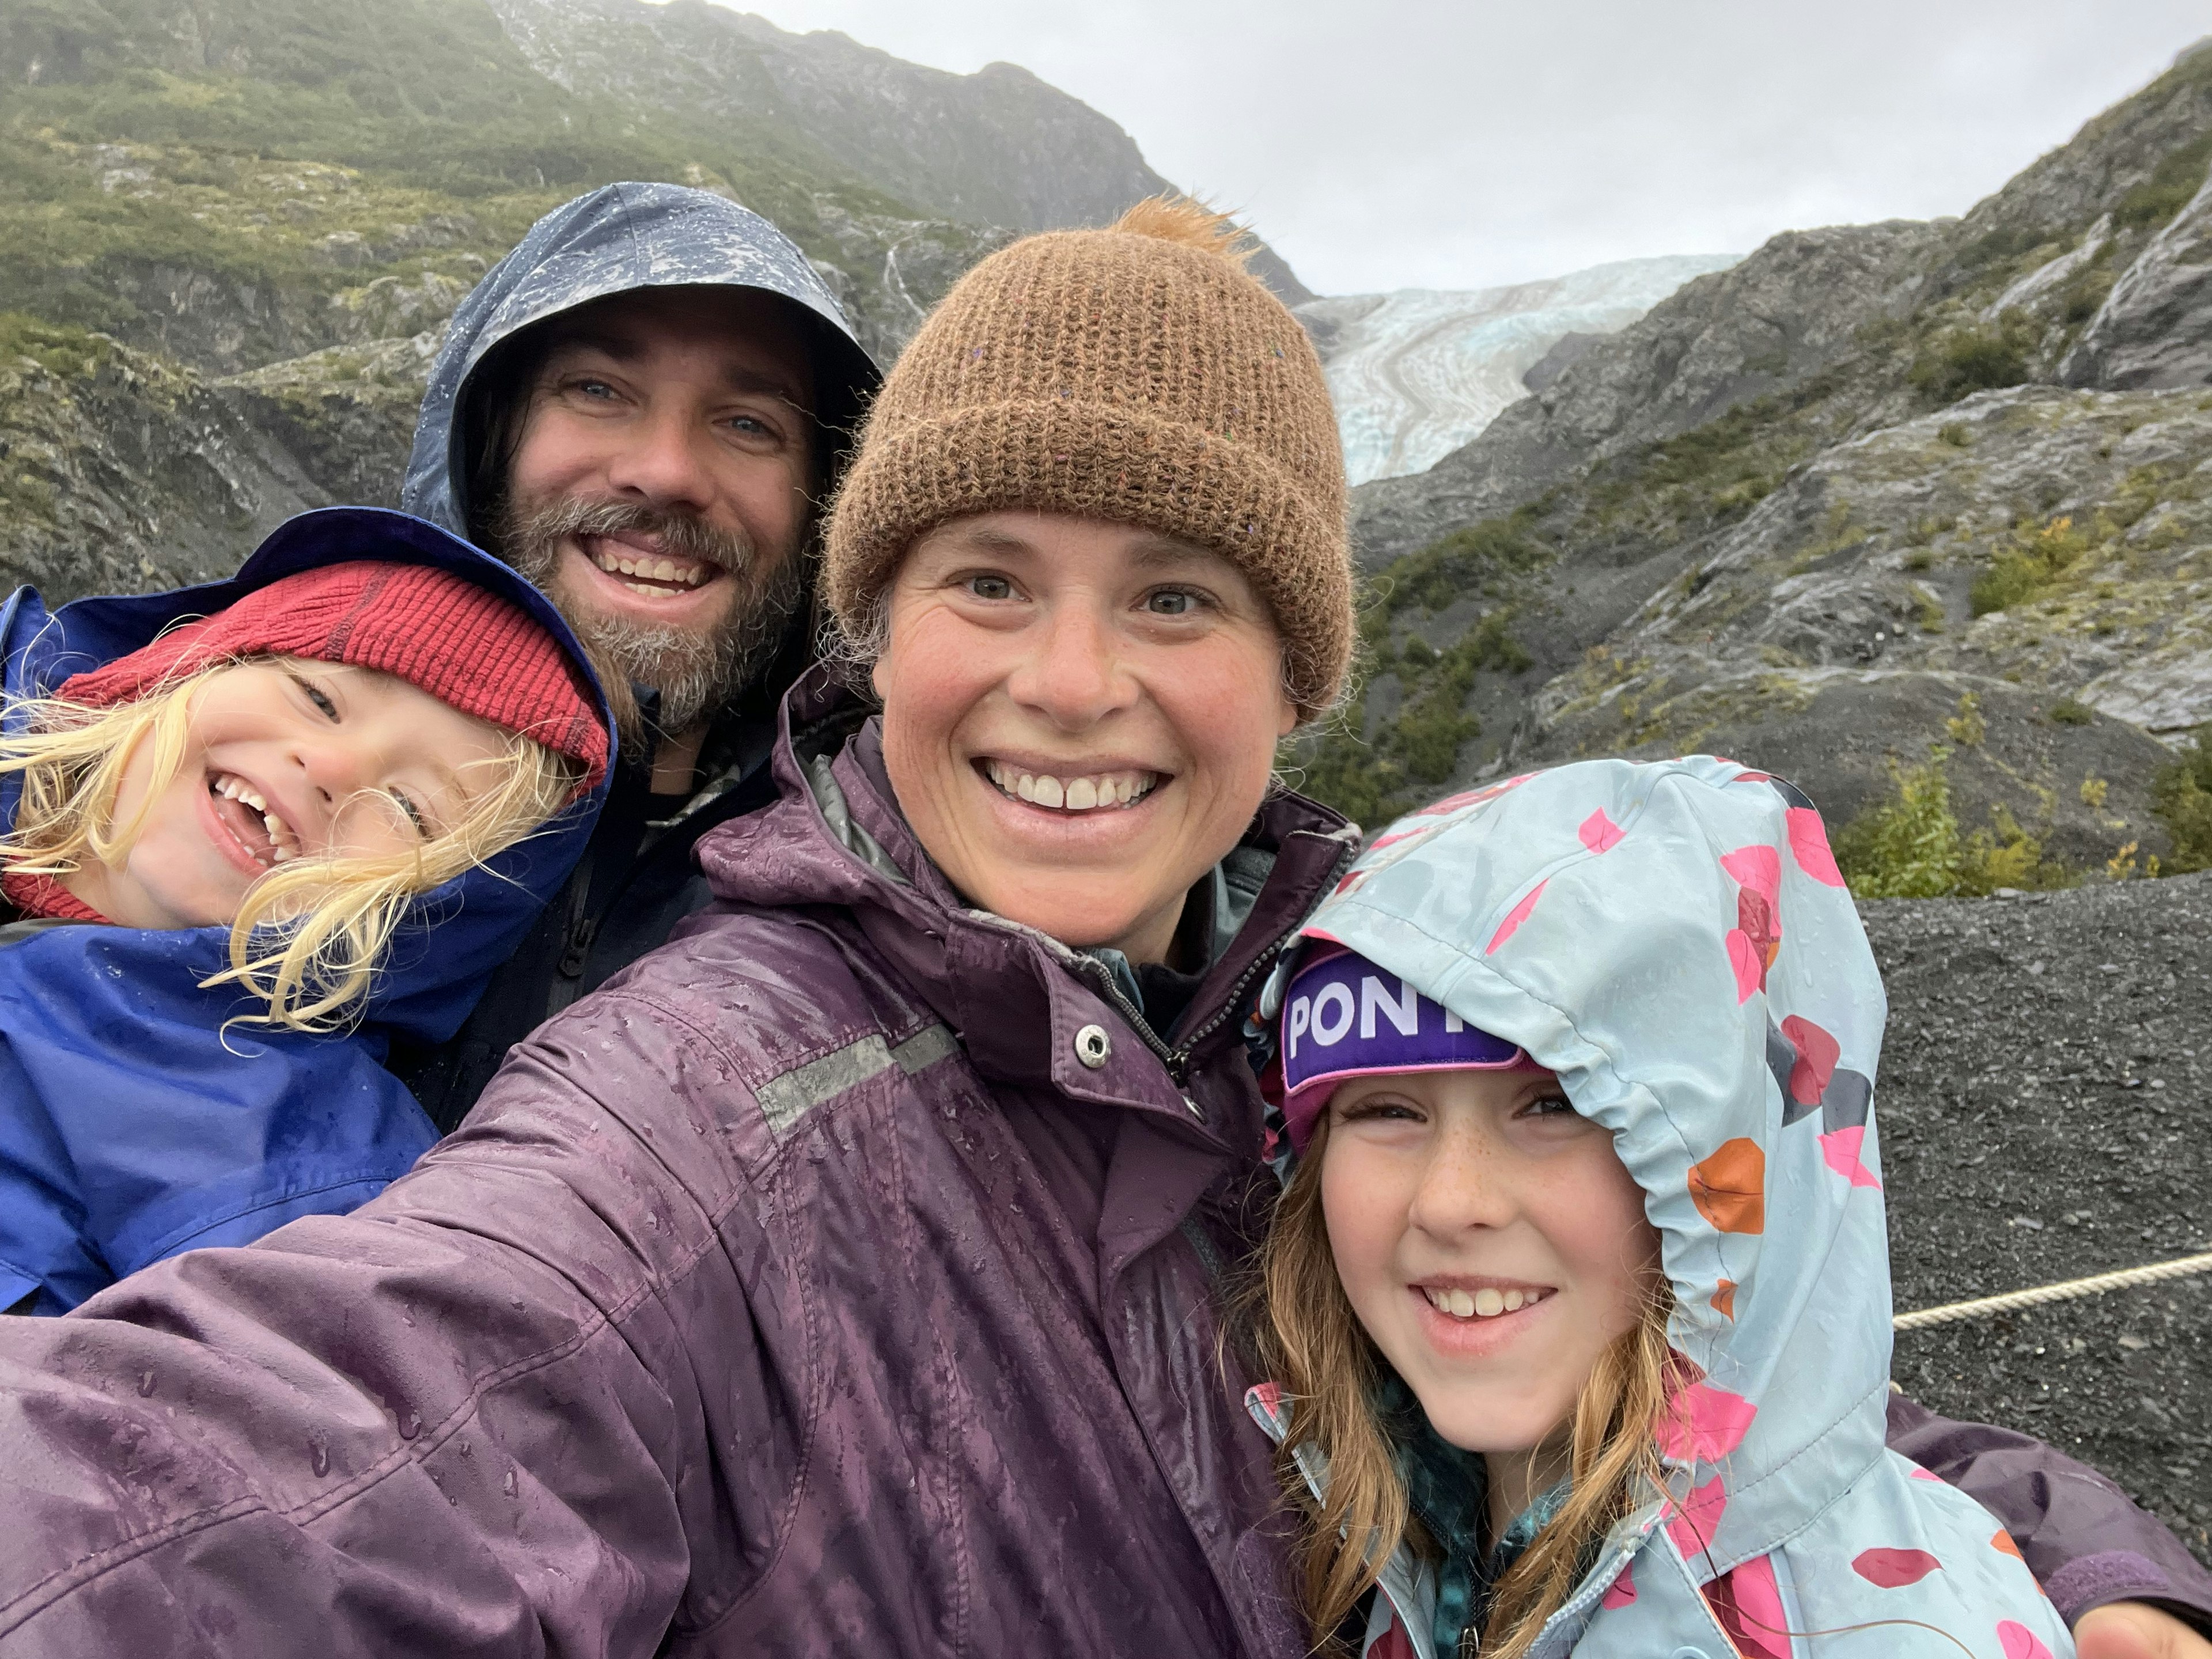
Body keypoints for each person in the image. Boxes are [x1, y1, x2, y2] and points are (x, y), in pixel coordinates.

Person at [0, 201, 2202, 1656]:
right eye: (988, 582)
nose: (1073, 682)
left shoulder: (1356, 1015)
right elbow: (325, 1436)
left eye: (1179, 594)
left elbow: (1716, 1356)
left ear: (1294, 670)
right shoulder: (705, 1098)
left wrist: (2075, 1556)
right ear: (871, 637)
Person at [1246, 759, 2075, 1658]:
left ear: (1743, 1164)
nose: (1451, 1203)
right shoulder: (1390, 1537)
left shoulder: (1905, 1636)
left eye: (1557, 1105)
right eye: (1384, 1111)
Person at [0, 506, 611, 1314]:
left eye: (410, 809)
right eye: (317, 698)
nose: (327, 767)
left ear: (430, 922)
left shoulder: (307, 1187)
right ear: (193, 663)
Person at [391, 181, 882, 1128]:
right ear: (492, 437)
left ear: (828, 509)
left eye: (748, 423)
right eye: (598, 391)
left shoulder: (872, 910)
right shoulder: (247, 748)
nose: (666, 470)